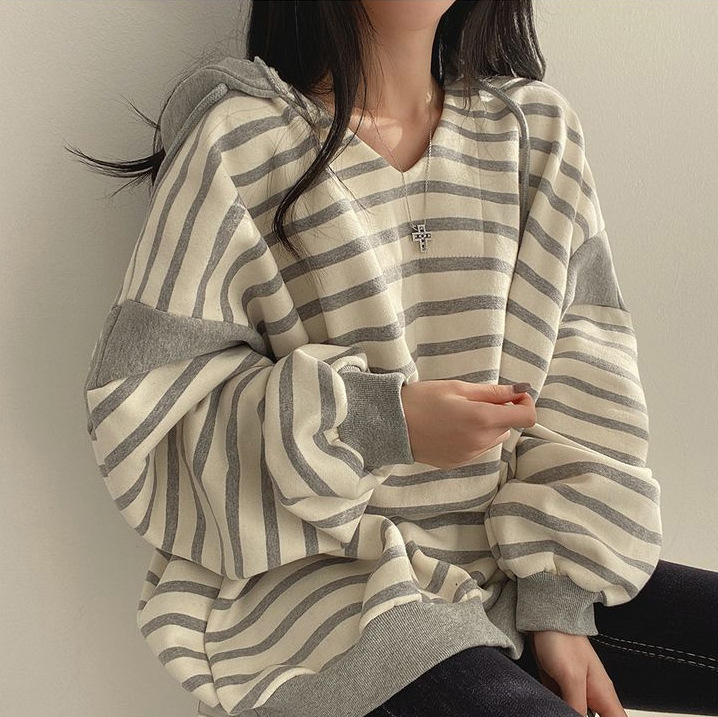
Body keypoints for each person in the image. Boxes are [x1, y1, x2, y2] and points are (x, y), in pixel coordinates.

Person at [71, 1, 718, 716]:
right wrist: (381, 423)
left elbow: (586, 385)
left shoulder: (535, 134)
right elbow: (151, 413)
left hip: (517, 557)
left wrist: (557, 603)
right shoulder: (239, 143)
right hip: (329, 597)